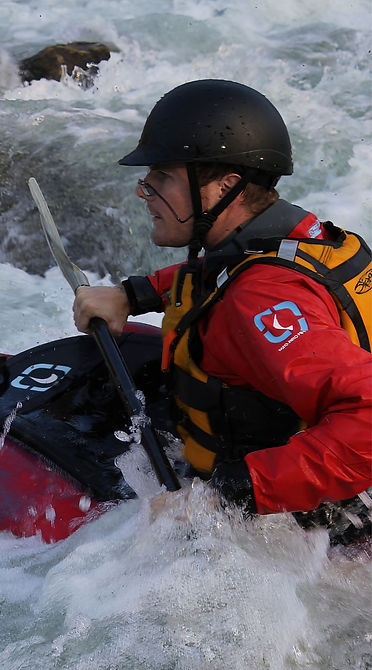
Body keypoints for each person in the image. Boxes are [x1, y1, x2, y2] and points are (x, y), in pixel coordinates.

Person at [72, 79, 372, 544]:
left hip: (307, 538)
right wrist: (136, 294)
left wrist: (223, 495)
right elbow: (229, 273)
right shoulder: (307, 241)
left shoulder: (260, 300)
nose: (144, 190)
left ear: (224, 187)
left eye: (163, 176)